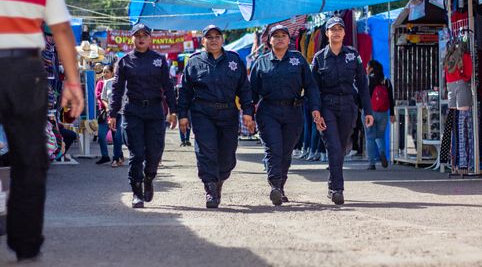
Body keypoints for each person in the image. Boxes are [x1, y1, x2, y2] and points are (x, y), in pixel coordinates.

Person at [0, 0, 84, 262]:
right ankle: (26, 243)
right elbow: (62, 31)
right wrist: (72, 84)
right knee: (28, 158)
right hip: (24, 71)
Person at [178, 25, 254, 209]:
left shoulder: (234, 60)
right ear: (203, 40)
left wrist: (248, 113)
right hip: (202, 113)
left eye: (217, 36)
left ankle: (219, 180)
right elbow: (185, 92)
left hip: (228, 112)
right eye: (209, 37)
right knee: (206, 151)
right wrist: (182, 116)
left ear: (222, 39)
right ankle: (210, 187)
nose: (213, 40)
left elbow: (244, 89)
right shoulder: (194, 62)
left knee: (227, 154)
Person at [250, 25, 325, 205]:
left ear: (288, 39)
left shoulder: (298, 60)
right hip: (268, 111)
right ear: (270, 40)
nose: (280, 39)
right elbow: (251, 91)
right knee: (273, 149)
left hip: (293, 111)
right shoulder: (261, 62)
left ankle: (280, 186)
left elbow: (311, 86)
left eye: (283, 35)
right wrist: (247, 113)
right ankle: (275, 186)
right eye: (276, 36)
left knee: (285, 152)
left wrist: (315, 108)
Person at [109, 23, 177, 209]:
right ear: (131, 38)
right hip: (133, 111)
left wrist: (173, 111)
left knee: (155, 152)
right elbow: (117, 89)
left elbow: (168, 86)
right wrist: (112, 113)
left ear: (150, 38)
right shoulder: (124, 61)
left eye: (144, 35)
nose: (141, 38)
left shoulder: (159, 60)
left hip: (155, 111)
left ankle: (149, 177)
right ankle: (136, 192)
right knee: (136, 153)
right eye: (137, 35)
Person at [311, 16, 373, 205]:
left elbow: (362, 84)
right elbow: (313, 87)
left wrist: (368, 110)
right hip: (327, 106)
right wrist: (316, 111)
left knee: (342, 146)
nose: (336, 32)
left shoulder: (353, 55)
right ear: (327, 33)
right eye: (333, 29)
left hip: (348, 106)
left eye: (340, 29)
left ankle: (333, 179)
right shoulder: (319, 57)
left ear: (345, 33)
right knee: (334, 146)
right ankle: (337, 188)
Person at [365, 60, 396, 170]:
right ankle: (382, 152)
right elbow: (391, 98)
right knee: (380, 135)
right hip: (383, 113)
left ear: (372, 68)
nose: (366, 68)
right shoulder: (386, 80)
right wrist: (392, 113)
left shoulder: (368, 80)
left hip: (370, 112)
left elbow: (364, 96)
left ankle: (371, 163)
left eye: (367, 67)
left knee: (370, 138)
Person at [101, 63, 124, 167]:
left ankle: (116, 158)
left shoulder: (127, 83)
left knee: (118, 135)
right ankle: (118, 156)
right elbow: (103, 97)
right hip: (110, 113)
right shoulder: (107, 83)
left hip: (123, 113)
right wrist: (106, 107)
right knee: (114, 137)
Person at [96, 64, 114, 165]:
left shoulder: (116, 83)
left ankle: (118, 156)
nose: (105, 74)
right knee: (101, 135)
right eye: (104, 72)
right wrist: (106, 105)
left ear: (112, 73)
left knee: (118, 137)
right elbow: (98, 95)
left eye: (107, 72)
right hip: (104, 113)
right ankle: (105, 156)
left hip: (115, 113)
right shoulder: (100, 83)